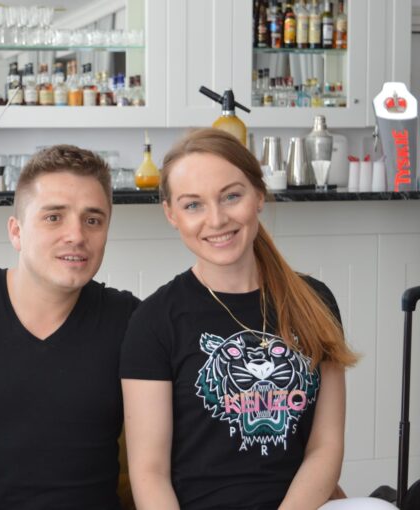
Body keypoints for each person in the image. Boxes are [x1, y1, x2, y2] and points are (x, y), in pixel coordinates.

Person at [120, 128, 394, 510]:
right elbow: (149, 473)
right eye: (193, 205)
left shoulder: (314, 300)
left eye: (231, 196)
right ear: (171, 214)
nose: (217, 219)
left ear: (259, 195)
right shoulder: (154, 321)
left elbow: (326, 446)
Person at [0, 144, 140, 509]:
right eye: (54, 217)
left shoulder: (132, 322)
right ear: (16, 231)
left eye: (93, 220)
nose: (76, 235)